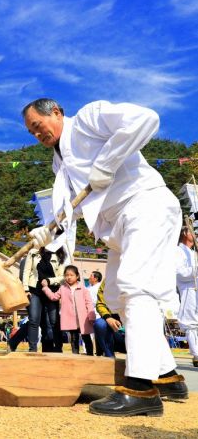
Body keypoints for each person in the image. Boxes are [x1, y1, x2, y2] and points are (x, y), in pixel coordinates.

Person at [23, 98, 188, 416]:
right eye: (31, 132)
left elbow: (145, 119)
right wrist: (47, 232)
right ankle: (167, 375)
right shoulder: (60, 165)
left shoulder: (88, 119)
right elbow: (68, 211)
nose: (36, 134)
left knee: (136, 288)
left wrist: (107, 163)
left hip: (144, 204)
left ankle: (141, 390)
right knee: (116, 296)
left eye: (37, 125)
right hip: (117, 228)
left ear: (56, 112)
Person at [17, 247, 66, 353]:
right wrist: (25, 288)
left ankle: (58, 348)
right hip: (34, 290)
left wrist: (49, 281)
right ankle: (32, 349)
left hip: (51, 292)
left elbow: (62, 277)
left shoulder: (59, 254)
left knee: (54, 321)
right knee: (34, 320)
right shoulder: (33, 252)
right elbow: (26, 271)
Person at [42, 265, 95, 355]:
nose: (69, 277)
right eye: (66, 275)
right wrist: (45, 288)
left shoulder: (83, 289)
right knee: (74, 340)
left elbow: (89, 303)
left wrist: (91, 315)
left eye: (71, 275)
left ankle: (90, 356)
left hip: (83, 320)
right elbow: (54, 297)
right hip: (71, 320)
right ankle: (75, 357)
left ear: (77, 276)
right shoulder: (63, 288)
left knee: (86, 338)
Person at [176, 225, 198, 367]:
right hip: (188, 290)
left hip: (195, 289)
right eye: (192, 232)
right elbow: (180, 273)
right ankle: (196, 354)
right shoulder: (178, 251)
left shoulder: (192, 252)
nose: (195, 235)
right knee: (191, 323)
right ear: (185, 233)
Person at [93, 276, 127, 358]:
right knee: (100, 324)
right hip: (115, 328)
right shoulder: (109, 278)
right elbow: (100, 304)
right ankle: (110, 357)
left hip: (134, 327)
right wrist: (108, 318)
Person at [88, 270, 104, 356]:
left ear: (96, 278)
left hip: (95, 313)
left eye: (91, 276)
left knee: (94, 334)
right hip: (96, 313)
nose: (89, 278)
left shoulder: (95, 288)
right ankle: (99, 352)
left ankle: (96, 352)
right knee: (97, 335)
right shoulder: (91, 288)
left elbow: (92, 301)